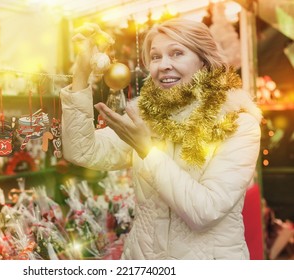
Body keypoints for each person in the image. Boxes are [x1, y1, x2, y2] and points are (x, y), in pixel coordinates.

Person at [60, 18, 262, 260]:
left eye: (177, 53)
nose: (163, 65)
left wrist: (147, 149)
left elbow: (205, 211)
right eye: (156, 57)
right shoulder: (146, 118)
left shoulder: (238, 124)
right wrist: (81, 72)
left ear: (204, 60)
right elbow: (81, 150)